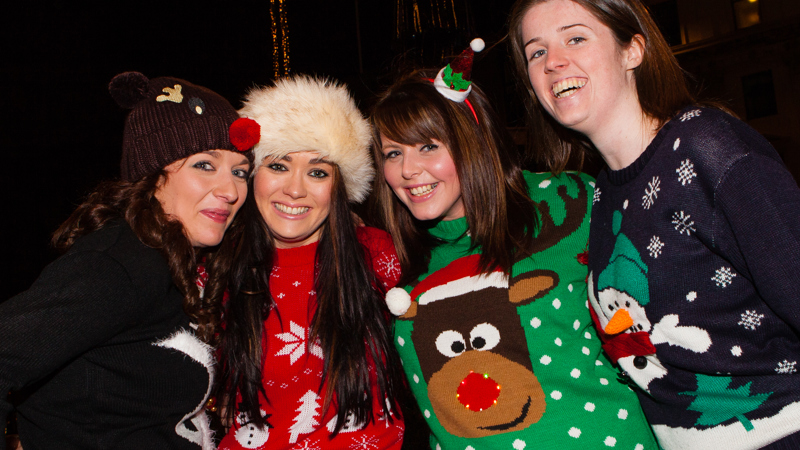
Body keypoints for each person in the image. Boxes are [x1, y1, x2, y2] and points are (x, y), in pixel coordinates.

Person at [508, 0, 800, 448]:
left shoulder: (705, 147)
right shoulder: (603, 194)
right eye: (537, 52)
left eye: (576, 38)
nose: (554, 62)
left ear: (632, 50)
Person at [370, 40, 657, 449]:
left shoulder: (568, 203)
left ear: (472, 139)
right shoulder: (389, 260)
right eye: (392, 153)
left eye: (428, 146)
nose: (408, 170)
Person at [0, 71, 256, 449]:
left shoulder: (173, 262)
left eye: (240, 172)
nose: (230, 190)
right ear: (153, 176)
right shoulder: (121, 264)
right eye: (204, 165)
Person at [215, 75, 406, 450]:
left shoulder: (377, 254)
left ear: (339, 188)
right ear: (251, 175)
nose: (295, 189)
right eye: (278, 166)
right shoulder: (217, 270)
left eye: (318, 172)